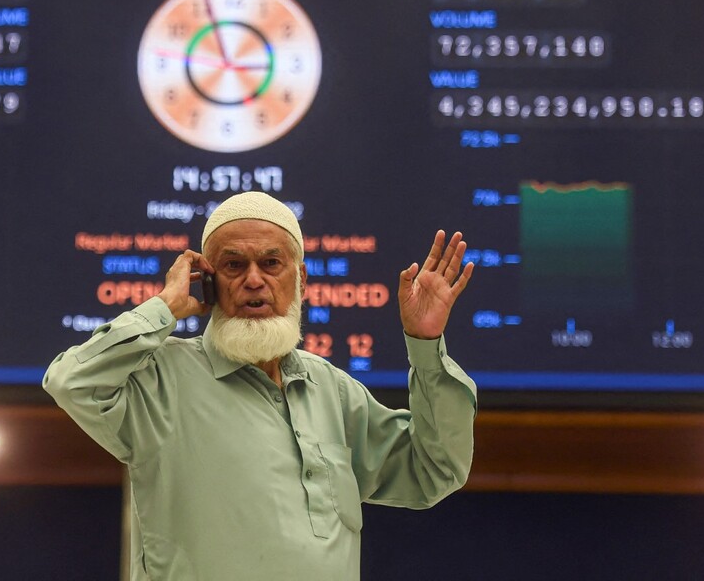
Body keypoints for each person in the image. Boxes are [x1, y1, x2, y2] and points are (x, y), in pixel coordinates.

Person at [44, 192, 476, 580]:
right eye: (233, 266)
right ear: (208, 282)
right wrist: (163, 307)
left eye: (271, 263)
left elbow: (433, 470)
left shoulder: (331, 389)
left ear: (301, 280)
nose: (254, 280)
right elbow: (71, 381)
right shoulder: (161, 377)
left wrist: (425, 345)